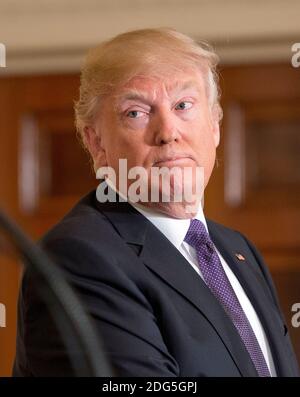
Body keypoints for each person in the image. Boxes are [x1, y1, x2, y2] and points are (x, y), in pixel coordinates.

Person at [13, 28, 299, 377]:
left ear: (216, 126)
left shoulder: (237, 250)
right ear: (96, 143)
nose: (168, 132)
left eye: (183, 105)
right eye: (136, 113)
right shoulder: (78, 258)